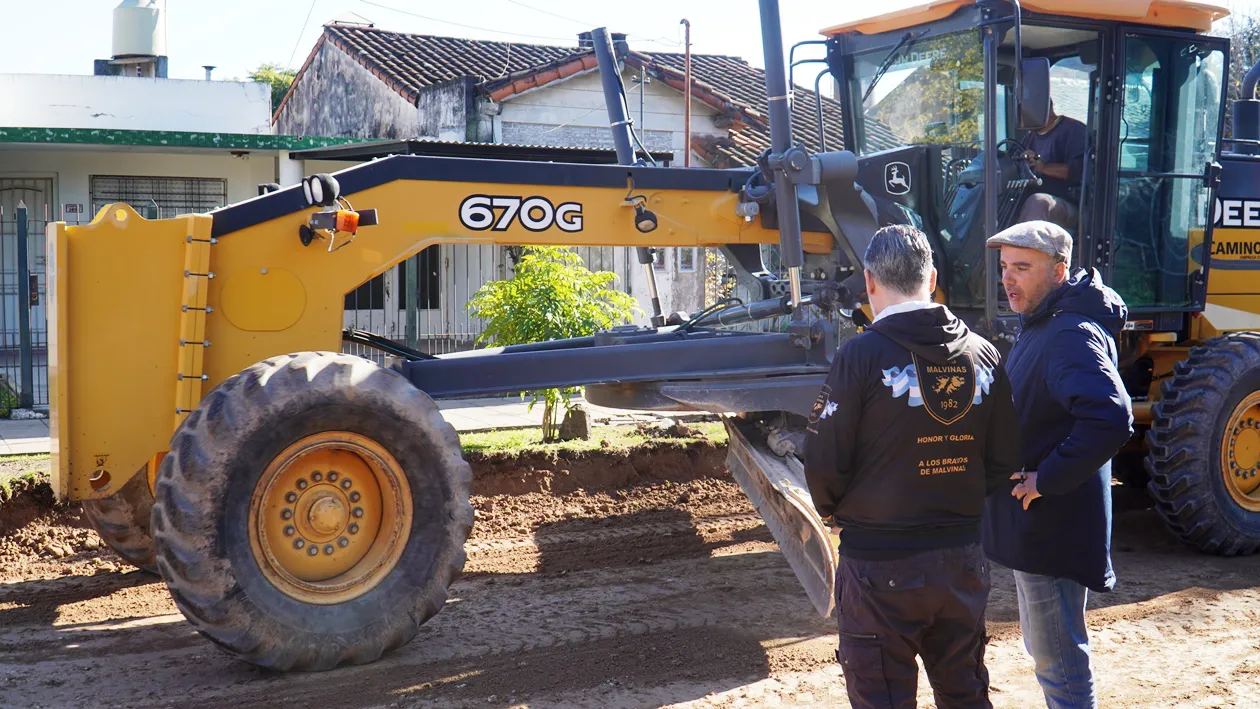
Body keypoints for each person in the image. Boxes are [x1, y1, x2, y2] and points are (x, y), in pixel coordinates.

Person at [804, 224, 1022, 709]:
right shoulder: (984, 354)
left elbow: (824, 460)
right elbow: (1005, 457)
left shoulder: (860, 355)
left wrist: (835, 511)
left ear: (869, 282)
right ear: (933, 278)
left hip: (879, 566)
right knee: (966, 695)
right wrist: (954, 498)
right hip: (962, 560)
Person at [982, 220, 1134, 709]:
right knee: (1049, 651)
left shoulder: (1069, 333)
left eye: (1022, 268)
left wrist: (1047, 478)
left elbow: (1110, 418)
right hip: (1040, 527)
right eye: (1005, 268)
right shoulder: (1045, 324)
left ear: (1060, 270)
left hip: (1052, 526)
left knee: (1058, 658)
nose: (1008, 279)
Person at [1018, 101, 1088, 230]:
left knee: (1039, 202)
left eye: (1023, 112)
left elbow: (1081, 172)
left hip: (1070, 204)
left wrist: (1044, 168)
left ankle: (1026, 249)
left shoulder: (1074, 130)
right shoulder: (1029, 139)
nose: (1021, 118)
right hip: (1032, 201)